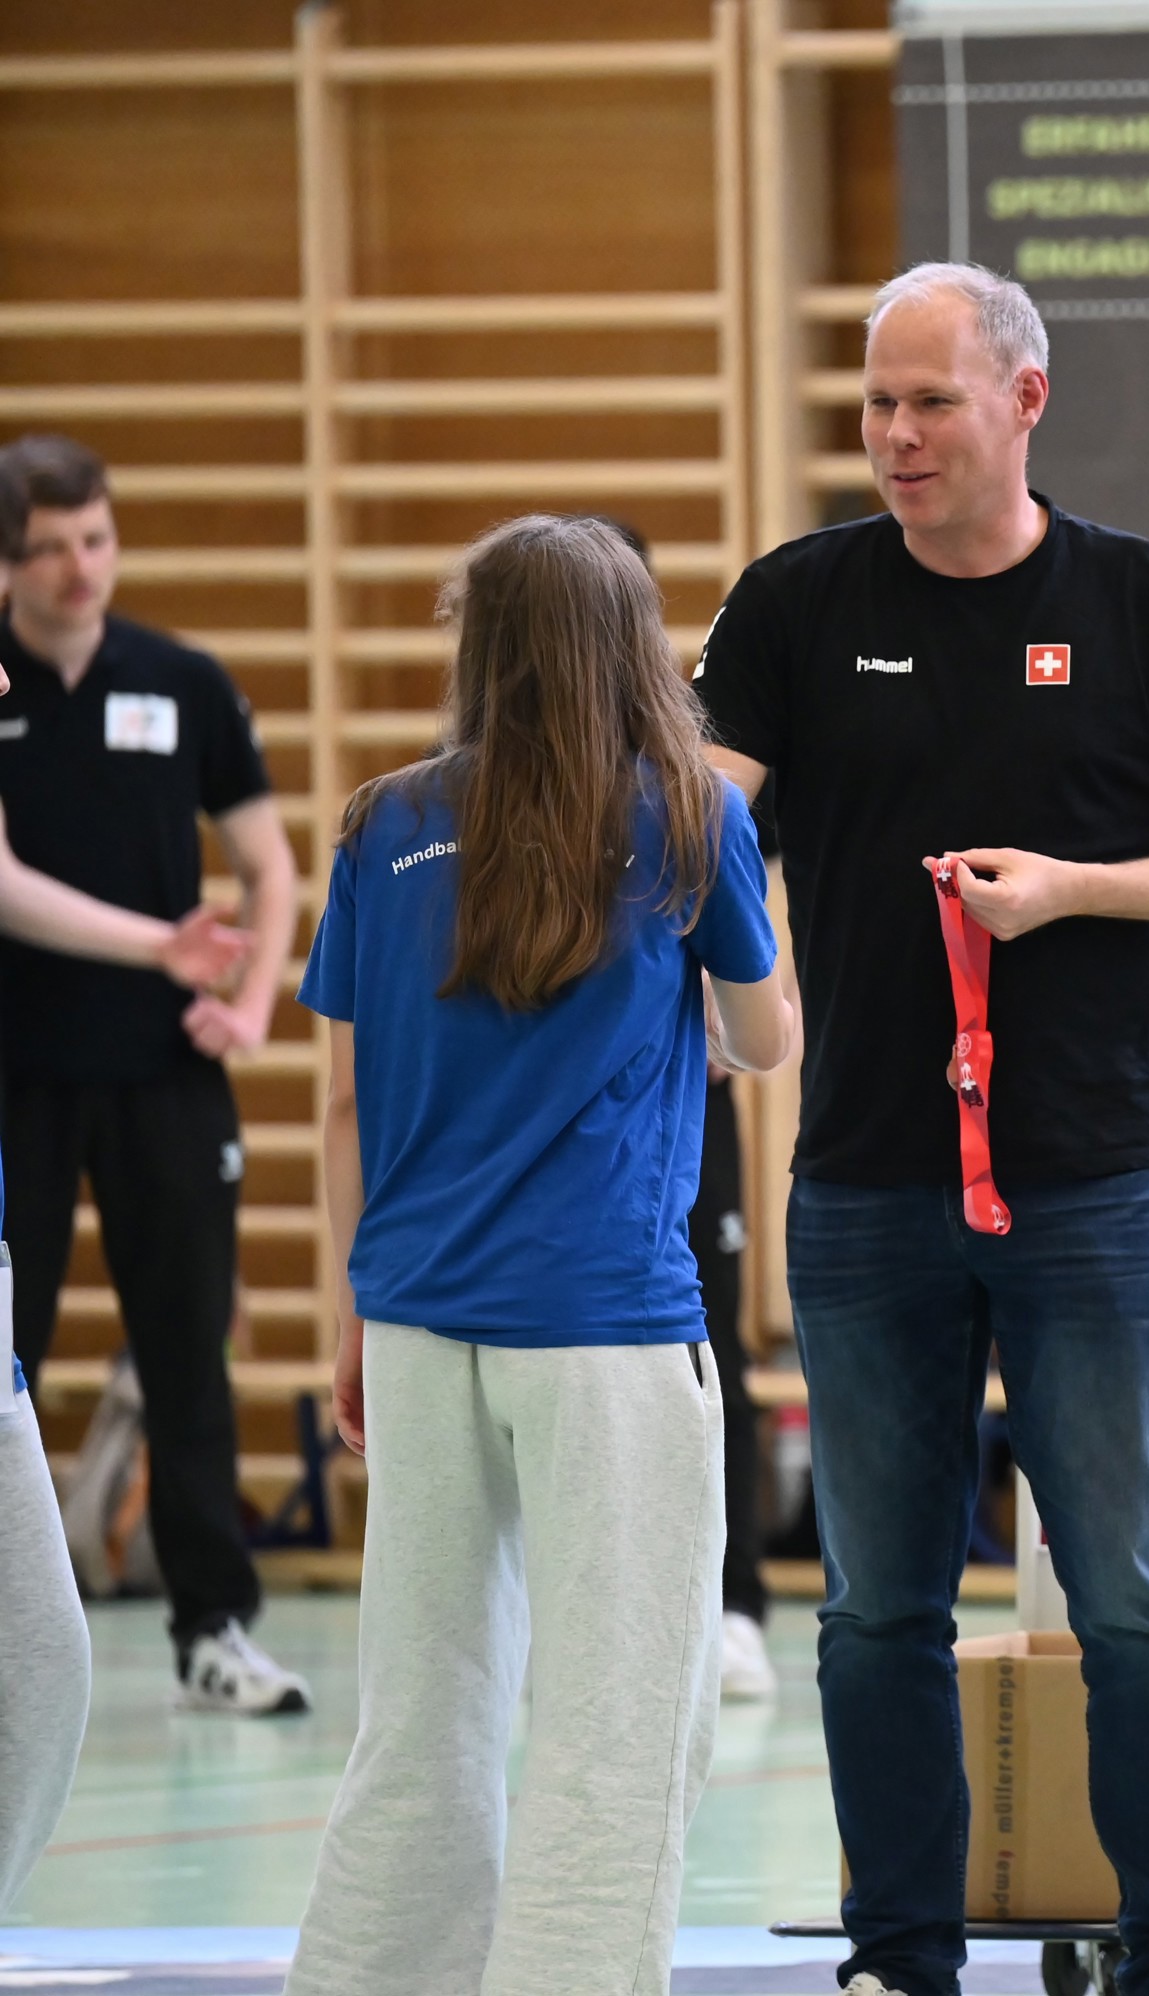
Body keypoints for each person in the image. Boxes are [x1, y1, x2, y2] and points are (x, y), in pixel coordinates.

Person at [693, 261, 1149, 1996]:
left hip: (1088, 1176)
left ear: (1025, 401)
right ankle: (902, 1950)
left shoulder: (1141, 599)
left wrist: (1076, 889)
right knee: (877, 1600)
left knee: (1129, 1587)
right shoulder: (796, 604)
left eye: (930, 403)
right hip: (865, 1177)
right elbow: (699, 834)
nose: (895, 435)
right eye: (876, 403)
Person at [283, 515, 796, 1996]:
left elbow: (344, 1106)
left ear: (479, 642)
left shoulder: (381, 825)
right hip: (605, 1327)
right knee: (617, 1720)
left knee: (419, 1712)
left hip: (416, 1316)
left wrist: (356, 1313)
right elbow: (765, 1039)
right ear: (633, 649)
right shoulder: (688, 815)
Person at [0, 432, 308, 1714]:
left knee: (187, 1355)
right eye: (50, 548)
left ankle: (213, 1628)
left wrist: (250, 997)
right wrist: (161, 943)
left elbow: (270, 865)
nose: (81, 568)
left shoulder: (183, 682)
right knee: (6, 1355)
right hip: (20, 1076)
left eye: (98, 539)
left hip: (166, 1077)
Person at [586, 512, 787, 1702]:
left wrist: (721, 1011)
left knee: (708, 1343)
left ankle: (734, 1601)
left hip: (682, 1102)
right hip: (553, 1117)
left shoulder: (699, 753)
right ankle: (588, 1612)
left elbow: (752, 899)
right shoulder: (473, 777)